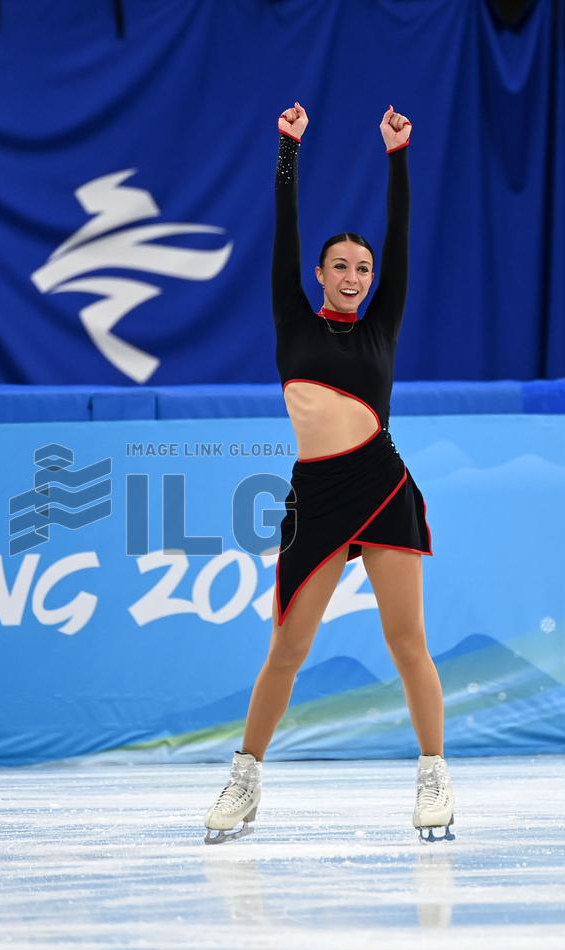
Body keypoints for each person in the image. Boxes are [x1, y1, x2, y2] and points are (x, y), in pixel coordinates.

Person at [204, 103, 455, 845]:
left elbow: (403, 235)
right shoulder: (293, 319)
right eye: (340, 266)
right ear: (318, 274)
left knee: (406, 641)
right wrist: (287, 149)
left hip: (380, 489)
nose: (353, 276)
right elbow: (281, 227)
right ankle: (243, 780)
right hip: (315, 497)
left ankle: (433, 775)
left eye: (363, 269)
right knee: (287, 648)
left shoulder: (381, 325)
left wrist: (397, 157)